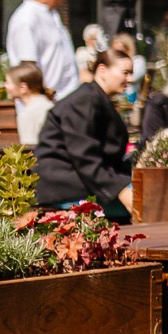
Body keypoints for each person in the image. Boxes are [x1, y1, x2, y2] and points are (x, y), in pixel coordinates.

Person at [33, 47, 136, 222]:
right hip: (67, 187)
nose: (130, 79)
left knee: (148, 195)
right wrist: (120, 189)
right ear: (102, 70)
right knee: (147, 202)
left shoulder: (94, 98)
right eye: (125, 73)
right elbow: (85, 157)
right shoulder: (83, 101)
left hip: (86, 181)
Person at [5, 0, 79, 98]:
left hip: (64, 101)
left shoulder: (52, 14)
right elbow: (27, 67)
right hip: (46, 105)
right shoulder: (27, 18)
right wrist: (45, 96)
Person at [5, 61, 54, 147]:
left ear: (23, 88)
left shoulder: (29, 114)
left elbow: (30, 151)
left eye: (8, 82)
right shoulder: (49, 105)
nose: (5, 86)